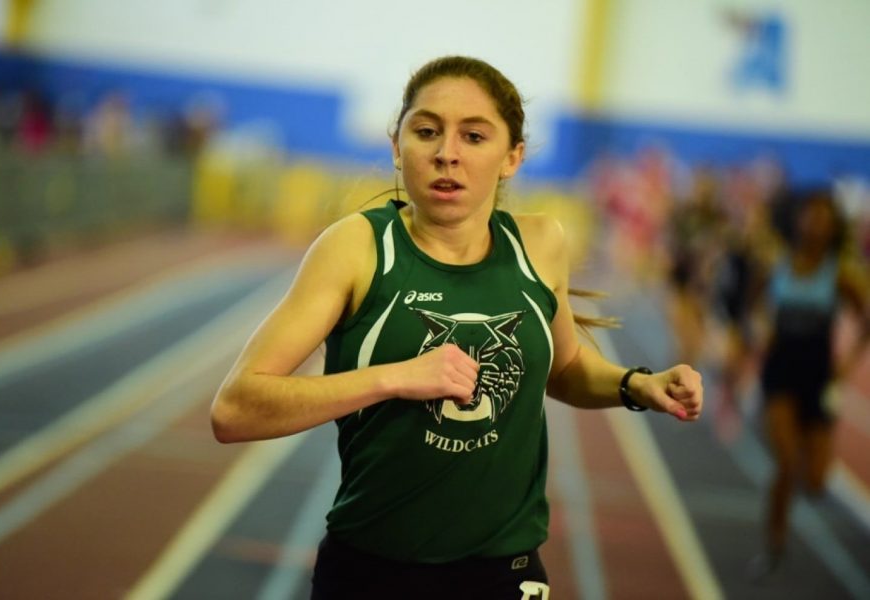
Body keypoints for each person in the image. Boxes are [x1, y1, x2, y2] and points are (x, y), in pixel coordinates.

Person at [211, 56, 704, 599]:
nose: (447, 152)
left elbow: (563, 368)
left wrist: (637, 384)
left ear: (512, 156)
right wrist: (394, 377)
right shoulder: (356, 248)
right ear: (398, 146)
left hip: (505, 572)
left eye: (473, 136)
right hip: (374, 572)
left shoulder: (540, 244)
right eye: (426, 132)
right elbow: (235, 409)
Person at [749, 188, 869, 580]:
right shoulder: (779, 264)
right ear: (797, 220)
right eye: (809, 215)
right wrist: (760, 330)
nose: (815, 223)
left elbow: (866, 316)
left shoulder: (840, 273)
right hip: (780, 373)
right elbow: (753, 307)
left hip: (818, 379)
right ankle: (773, 544)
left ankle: (804, 463)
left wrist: (848, 363)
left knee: (816, 482)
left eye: (823, 217)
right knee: (785, 463)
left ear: (833, 226)